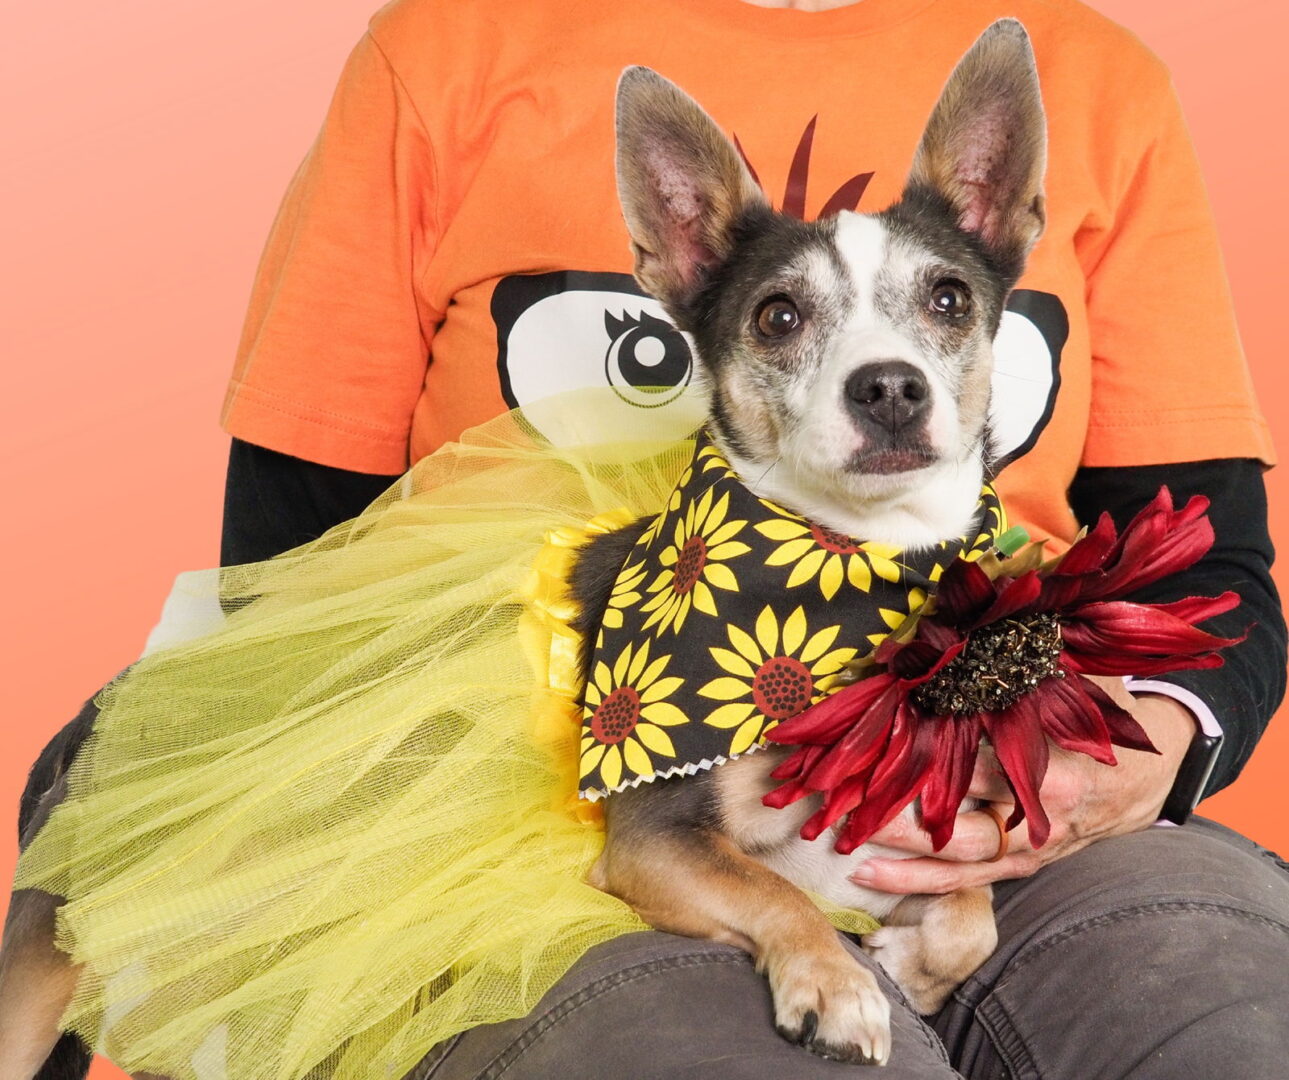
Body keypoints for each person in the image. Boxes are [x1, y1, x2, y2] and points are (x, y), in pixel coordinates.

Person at [19, 0, 1289, 1078]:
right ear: (678, 255)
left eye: (942, 304)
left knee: (1220, 1017)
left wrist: (1140, 754)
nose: (886, 373)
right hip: (535, 820)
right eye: (783, 320)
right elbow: (288, 570)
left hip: (1022, 803)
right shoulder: (447, 49)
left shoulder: (1099, 76)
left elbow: (1213, 566)